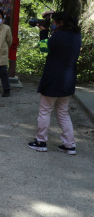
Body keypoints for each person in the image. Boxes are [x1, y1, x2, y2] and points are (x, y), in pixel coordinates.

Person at [28, 11, 82, 155]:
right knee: (63, 113)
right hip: (68, 80)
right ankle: (69, 145)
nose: (52, 25)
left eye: (54, 22)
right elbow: (73, 20)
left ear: (61, 23)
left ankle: (41, 142)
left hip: (53, 79)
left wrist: (44, 33)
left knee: (45, 111)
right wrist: (54, 14)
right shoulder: (77, 35)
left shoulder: (58, 36)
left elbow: (44, 48)